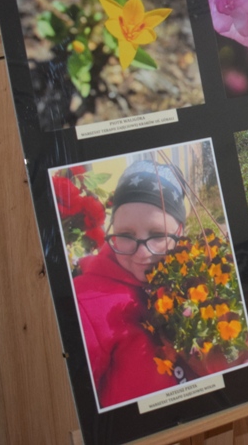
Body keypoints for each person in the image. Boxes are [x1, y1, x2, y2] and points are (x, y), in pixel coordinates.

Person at [73, 160, 190, 408]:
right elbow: (74, 404)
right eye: (126, 235)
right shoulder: (85, 303)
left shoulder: (191, 281)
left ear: (180, 232)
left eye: (157, 235)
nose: (141, 253)